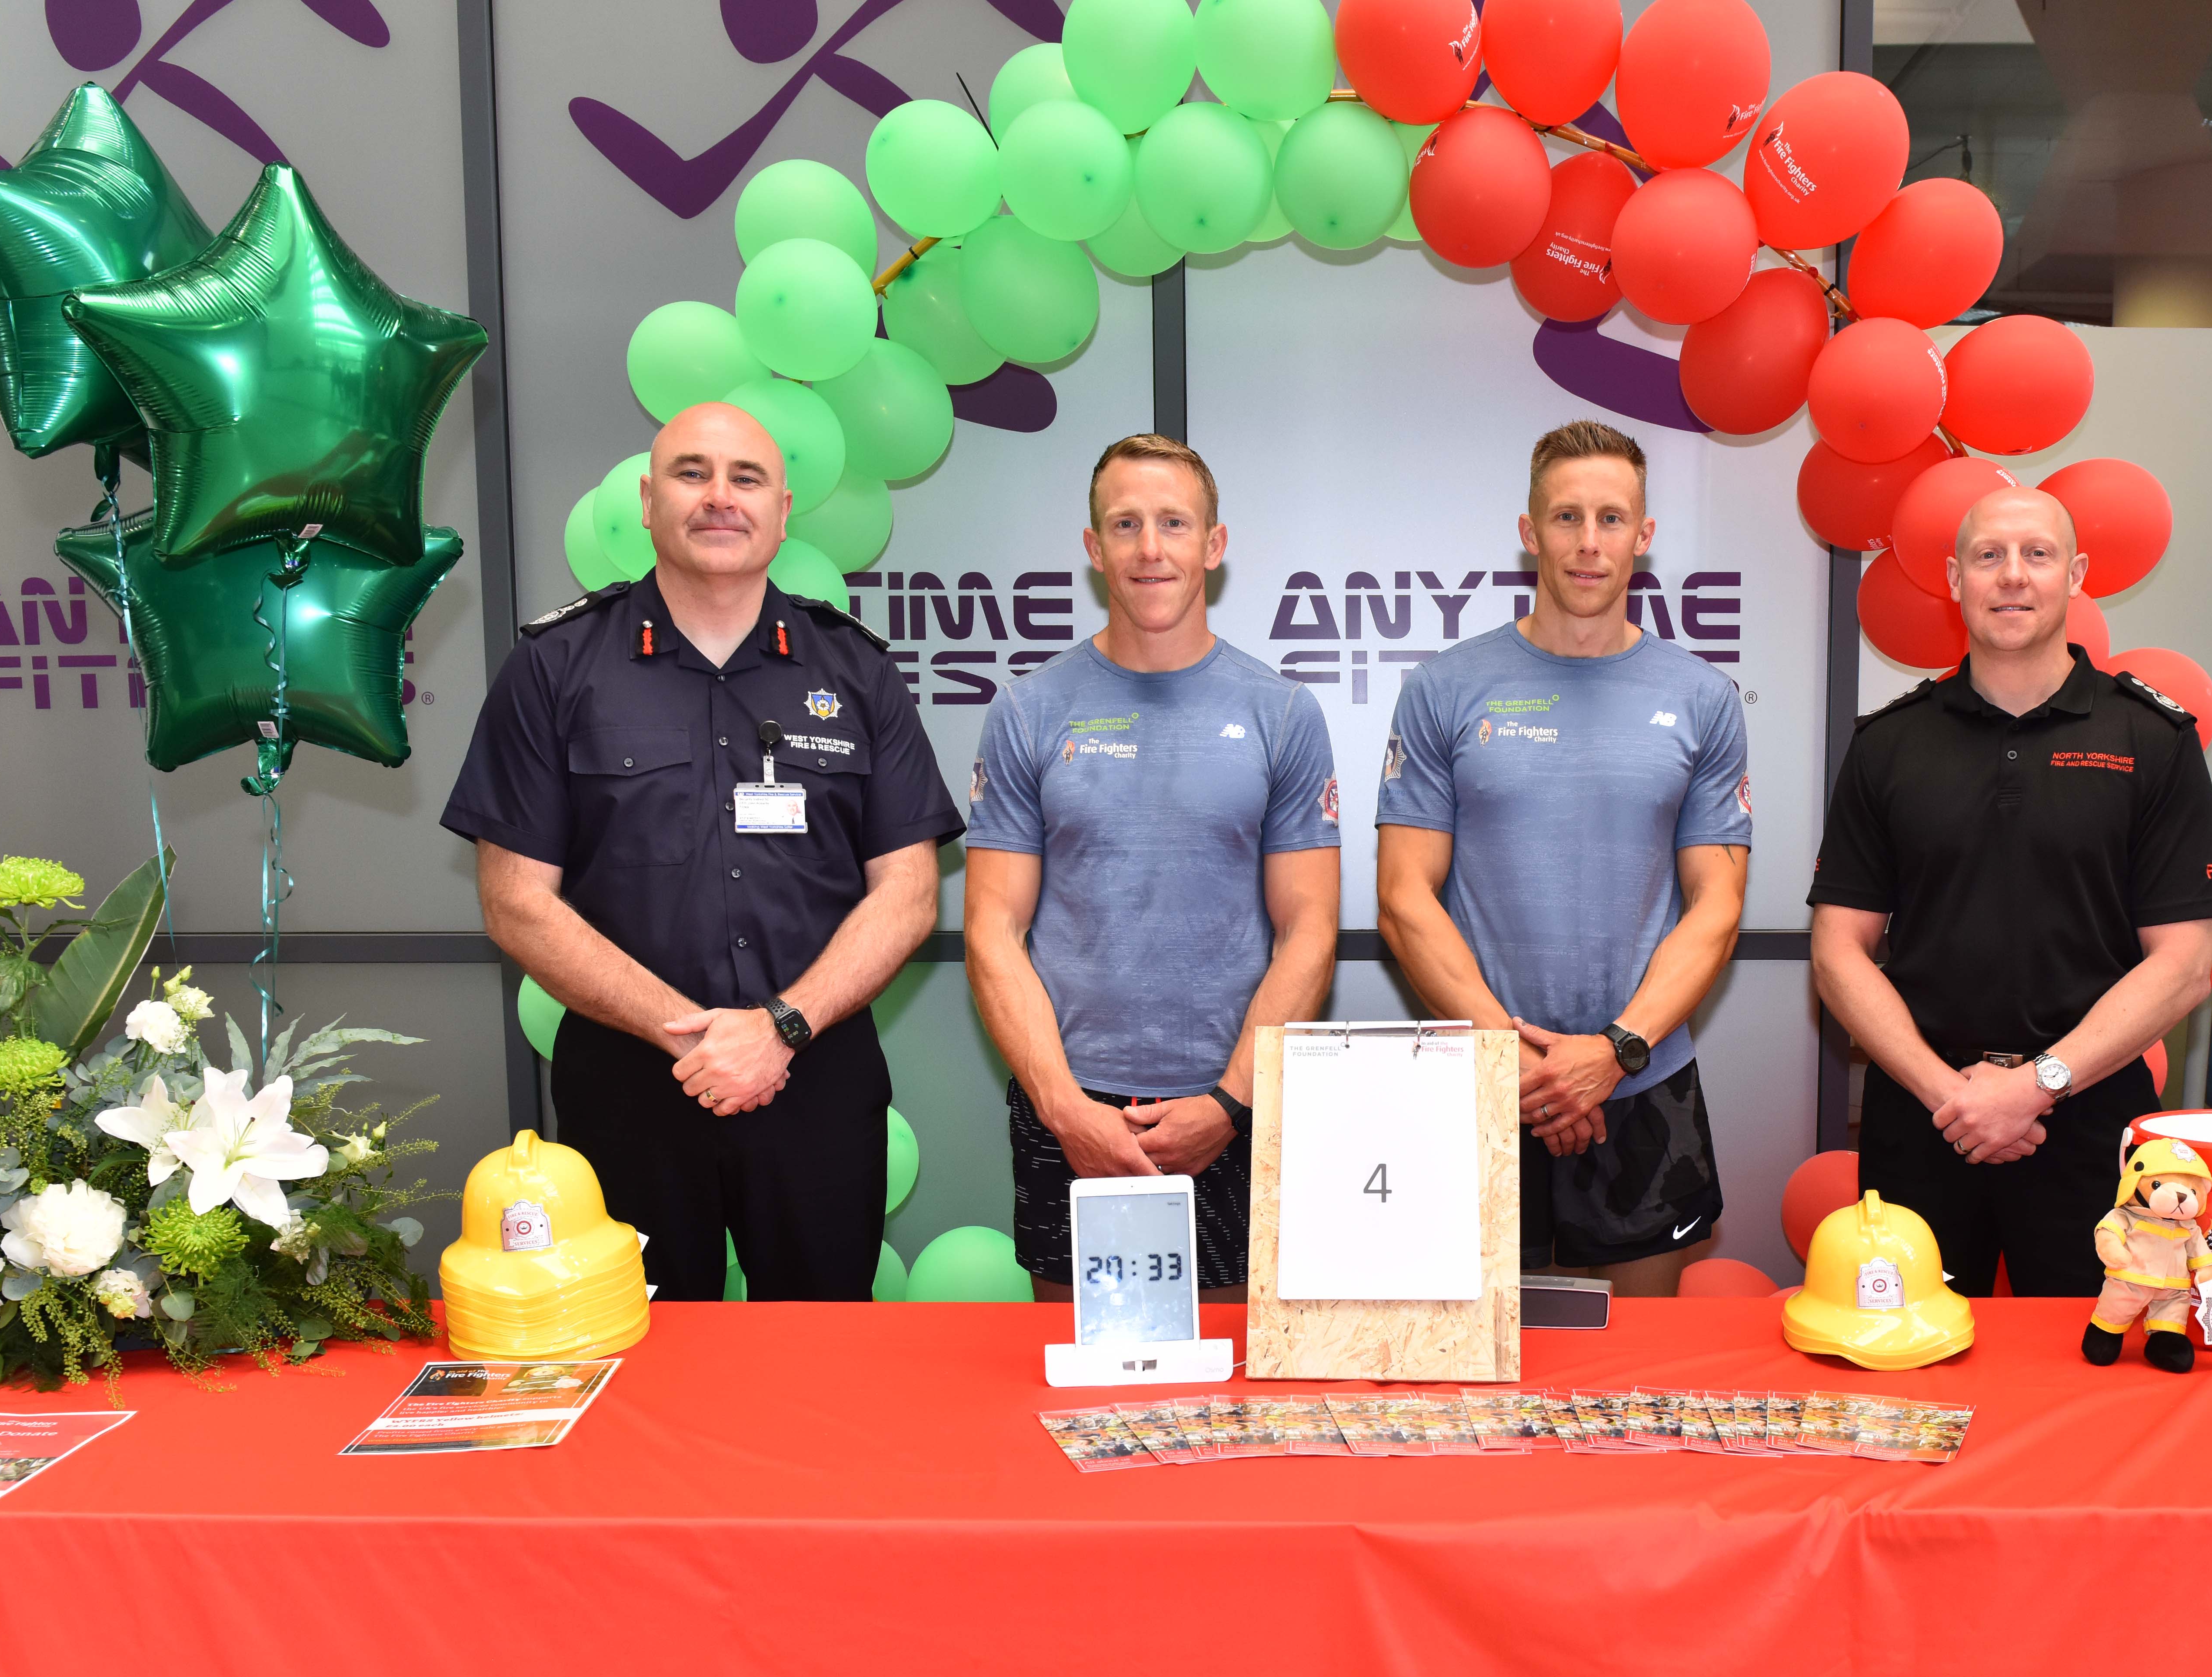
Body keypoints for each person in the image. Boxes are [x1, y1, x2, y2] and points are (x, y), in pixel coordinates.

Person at [443, 400, 959, 1302]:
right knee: (637, 1358)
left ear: (783, 510)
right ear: (647, 500)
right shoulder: (555, 667)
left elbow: (910, 892)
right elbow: (515, 899)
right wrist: (693, 1037)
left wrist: (778, 1028)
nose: (719, 497)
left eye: (745, 478)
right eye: (691, 473)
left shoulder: (855, 670)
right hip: (630, 1084)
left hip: (815, 1080)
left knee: (822, 1362)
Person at [1807, 484, 2212, 1303]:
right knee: (1904, 1367)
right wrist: (1952, 1096)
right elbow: (1838, 951)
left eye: (2036, 555)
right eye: (1989, 556)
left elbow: (2183, 962)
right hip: (1926, 1121)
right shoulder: (1889, 744)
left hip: (2091, 1125)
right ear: (1955, 580)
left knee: (2094, 1375)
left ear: (2076, 576)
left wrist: (2035, 1086)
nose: (2012, 576)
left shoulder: (2152, 739)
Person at [1376, 420, 1750, 1295]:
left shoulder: (1701, 697)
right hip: (1480, 1080)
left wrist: (1613, 1050)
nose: (1588, 543)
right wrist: (1508, 1050)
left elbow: (1717, 906)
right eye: (1566, 517)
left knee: (1634, 1377)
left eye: (1611, 518)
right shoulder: (1443, 688)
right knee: (1471, 1377)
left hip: (1641, 1079)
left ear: (1644, 536)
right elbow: (1402, 897)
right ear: (1528, 530)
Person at [963, 434, 1339, 1298]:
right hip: (1070, 1106)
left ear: (1213, 543)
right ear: (1094, 549)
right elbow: (990, 927)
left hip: (1231, 1104)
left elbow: (1309, 928)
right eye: (1125, 525)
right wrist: (1064, 1108)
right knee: (1077, 1362)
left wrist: (1231, 1104)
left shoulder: (1281, 712)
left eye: (1173, 523)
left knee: (1237, 1377)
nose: (1150, 548)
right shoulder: (1029, 710)